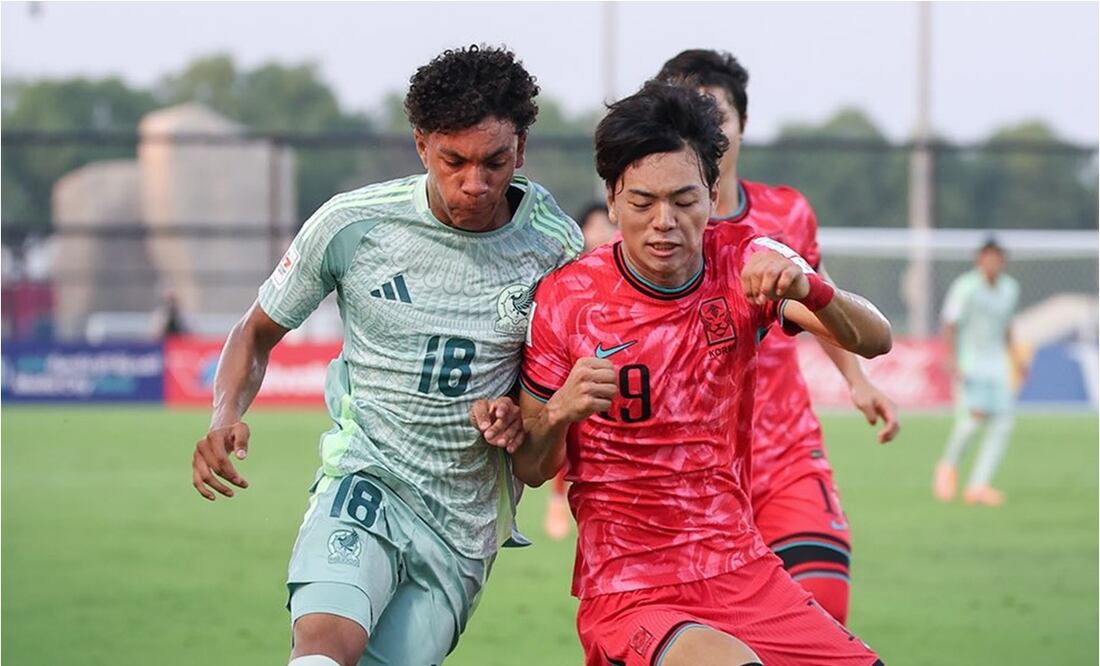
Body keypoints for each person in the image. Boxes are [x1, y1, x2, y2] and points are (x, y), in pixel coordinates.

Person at [189, 45, 583, 666]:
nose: (474, 183)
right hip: (366, 479)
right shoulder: (353, 224)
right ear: (422, 144)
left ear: (522, 150)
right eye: (454, 161)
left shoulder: (557, 249)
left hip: (463, 522)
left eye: (494, 162)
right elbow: (255, 331)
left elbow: (544, 407)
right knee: (322, 650)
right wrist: (223, 415)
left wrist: (517, 414)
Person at [515, 82, 890, 666]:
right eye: (642, 203)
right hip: (630, 590)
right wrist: (561, 409)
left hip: (743, 570)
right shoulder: (567, 299)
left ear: (713, 194)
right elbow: (531, 469)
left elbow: (875, 338)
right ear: (612, 201)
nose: (664, 221)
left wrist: (811, 287)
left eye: (684, 200)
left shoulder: (743, 260)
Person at [656, 49, 900, 624]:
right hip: (693, 470)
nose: (702, 128)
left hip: (784, 449)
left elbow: (822, 302)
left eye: (714, 113)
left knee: (822, 616)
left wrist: (858, 380)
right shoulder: (652, 234)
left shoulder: (787, 214)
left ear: (741, 124)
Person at [544, 201, 618, 539]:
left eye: (607, 226)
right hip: (579, 364)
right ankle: (559, 499)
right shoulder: (569, 281)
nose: (602, 233)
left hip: (621, 367)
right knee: (570, 425)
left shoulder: (635, 274)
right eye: (594, 226)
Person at [934, 238, 1023, 506]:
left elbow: (1007, 326)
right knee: (972, 422)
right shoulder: (966, 287)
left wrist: (1017, 358)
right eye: (988, 257)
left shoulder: (1010, 289)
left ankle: (979, 485)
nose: (992, 263)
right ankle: (947, 467)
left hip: (997, 364)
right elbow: (950, 322)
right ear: (979, 260)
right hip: (971, 362)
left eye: (997, 258)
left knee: (1004, 423)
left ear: (1003, 261)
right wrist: (952, 358)